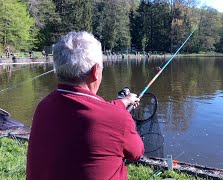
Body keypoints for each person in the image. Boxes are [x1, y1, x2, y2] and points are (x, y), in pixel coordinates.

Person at [27, 32, 144, 180]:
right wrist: (122, 116)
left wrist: (124, 101)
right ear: (96, 71)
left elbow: (87, 113)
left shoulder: (43, 107)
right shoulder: (117, 119)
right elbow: (137, 153)